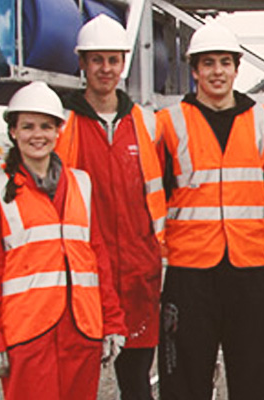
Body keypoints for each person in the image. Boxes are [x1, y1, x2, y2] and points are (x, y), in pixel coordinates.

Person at [0, 82, 127, 399]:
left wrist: (112, 324)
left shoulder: (81, 184)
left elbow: (99, 263)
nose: (37, 135)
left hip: (82, 330)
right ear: (13, 131)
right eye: (27, 126)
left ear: (58, 131)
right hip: (27, 334)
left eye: (45, 126)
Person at [154, 23, 264, 400]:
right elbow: (158, 194)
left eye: (225, 62)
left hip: (250, 268)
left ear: (236, 68)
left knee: (257, 375)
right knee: (183, 377)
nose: (217, 71)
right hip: (190, 271)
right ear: (194, 70)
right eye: (208, 63)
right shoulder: (168, 124)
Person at [51, 15, 166, 399]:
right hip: (82, 273)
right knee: (74, 378)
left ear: (123, 63)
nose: (105, 69)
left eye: (113, 60)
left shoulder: (146, 124)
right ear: (82, 64)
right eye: (96, 60)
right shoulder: (62, 124)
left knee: (135, 382)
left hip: (139, 272)